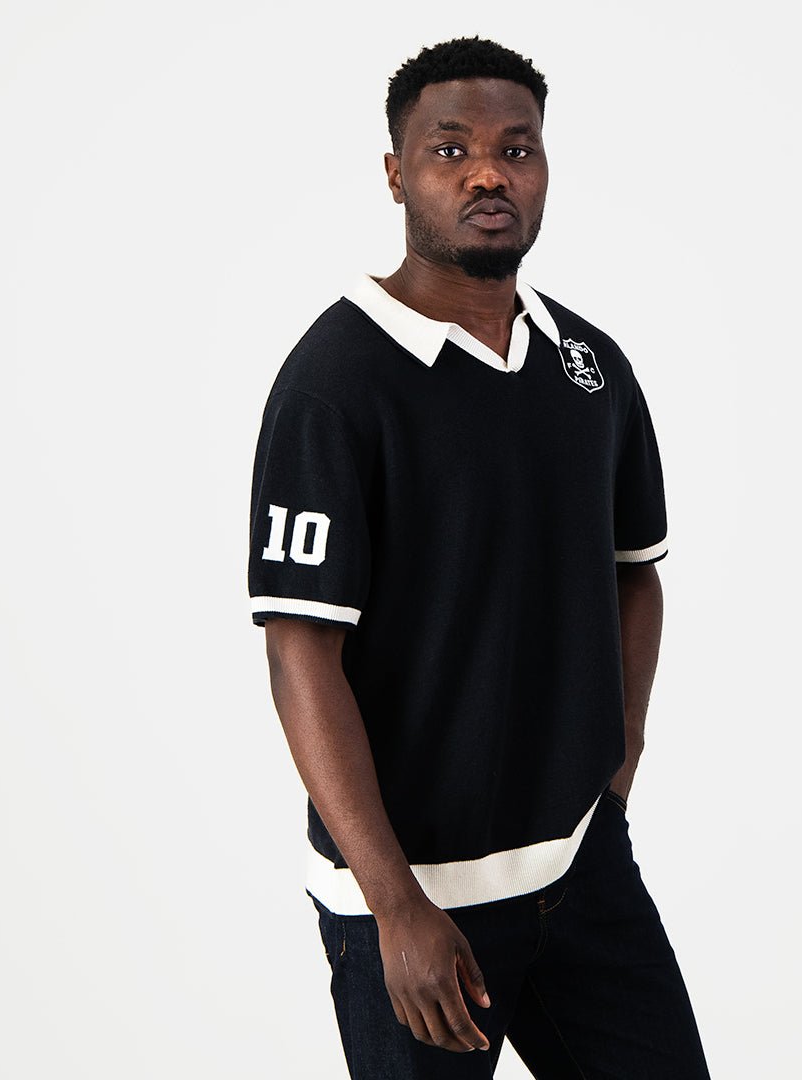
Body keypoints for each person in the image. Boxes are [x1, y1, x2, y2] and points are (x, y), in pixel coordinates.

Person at [248, 36, 712, 1079]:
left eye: (517, 149)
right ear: (396, 173)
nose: (488, 175)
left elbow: (635, 570)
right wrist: (393, 903)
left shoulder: (589, 366)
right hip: (415, 906)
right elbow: (298, 653)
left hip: (582, 873)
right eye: (450, 150)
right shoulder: (335, 385)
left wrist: (617, 763)